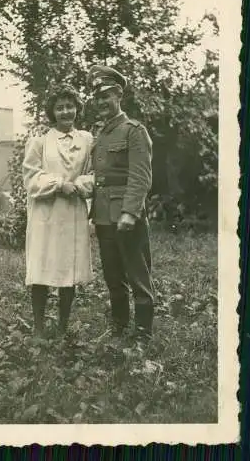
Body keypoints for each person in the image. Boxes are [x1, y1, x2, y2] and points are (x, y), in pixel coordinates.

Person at [87, 65, 154, 342]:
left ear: (119, 95)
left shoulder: (133, 131)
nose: (102, 102)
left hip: (126, 216)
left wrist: (130, 212)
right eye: (97, 98)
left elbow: (140, 176)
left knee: (137, 273)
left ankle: (142, 333)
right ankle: (118, 326)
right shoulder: (99, 133)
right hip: (103, 215)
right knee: (113, 274)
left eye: (107, 96)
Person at [22, 84, 94, 337]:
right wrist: (58, 184)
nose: (65, 112)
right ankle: (39, 327)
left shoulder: (86, 140)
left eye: (70, 106)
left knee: (68, 269)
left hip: (73, 211)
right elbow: (30, 177)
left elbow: (94, 173)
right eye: (60, 107)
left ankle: (63, 326)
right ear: (52, 112)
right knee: (42, 266)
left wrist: (79, 185)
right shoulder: (40, 141)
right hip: (46, 212)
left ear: (77, 109)